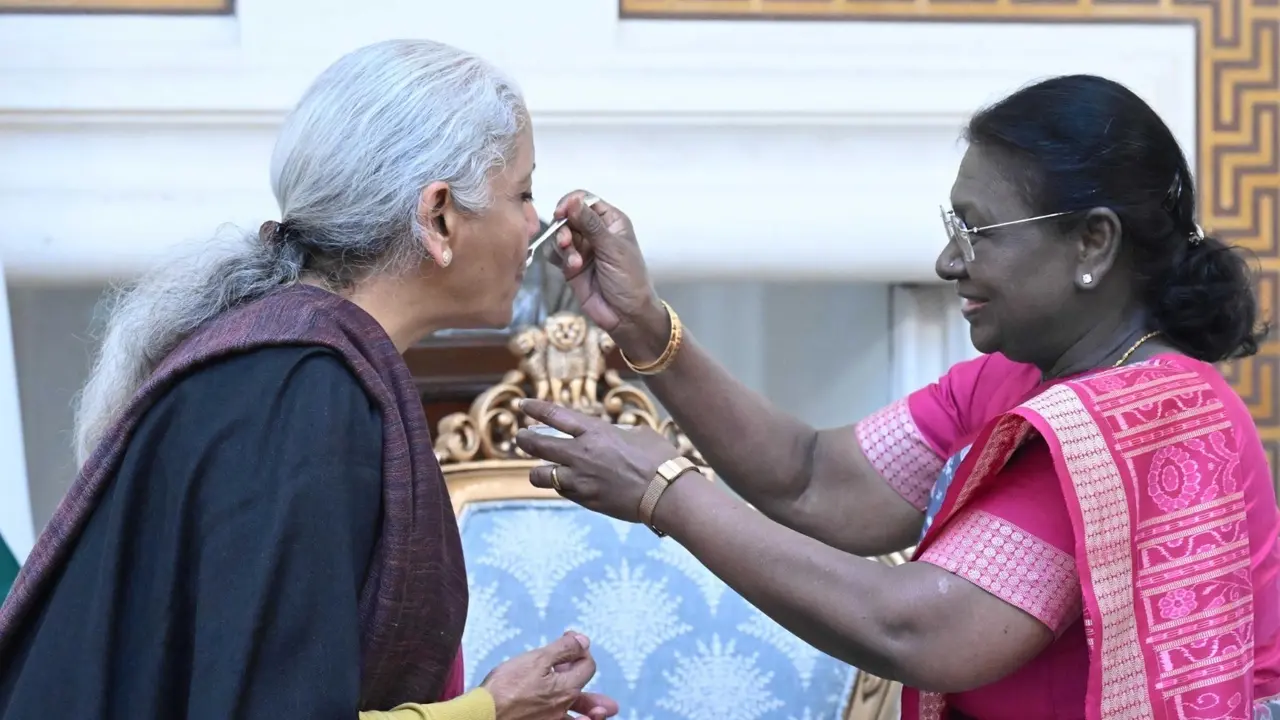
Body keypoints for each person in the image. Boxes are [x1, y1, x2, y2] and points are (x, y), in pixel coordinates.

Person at [514, 74, 1280, 719]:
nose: (948, 261)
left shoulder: (1149, 419)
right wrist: (645, 328)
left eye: (978, 231)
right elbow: (813, 479)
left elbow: (915, 628)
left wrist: (667, 493)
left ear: (1093, 243)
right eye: (953, 226)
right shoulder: (1019, 376)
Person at [0, 40, 617, 720]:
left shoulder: (292, 367)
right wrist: (489, 711)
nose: (536, 223)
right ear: (440, 215)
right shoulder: (296, 394)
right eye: (522, 193)